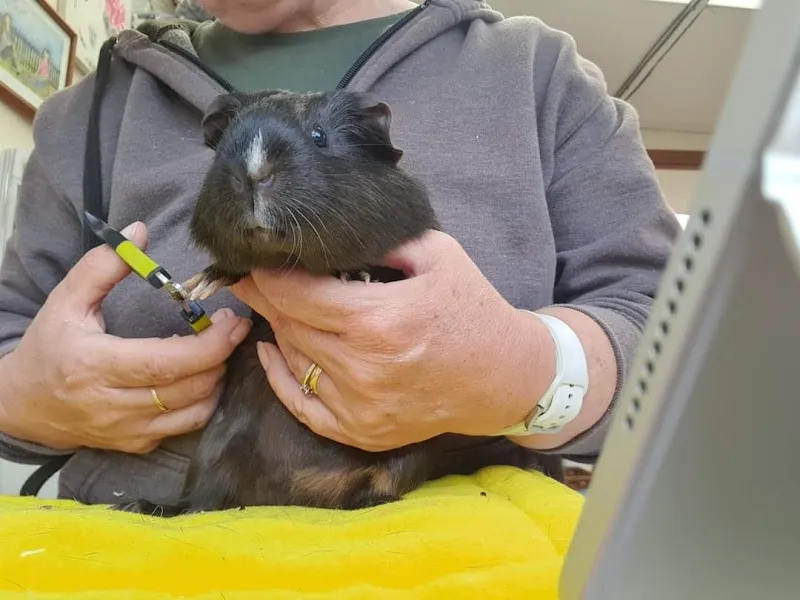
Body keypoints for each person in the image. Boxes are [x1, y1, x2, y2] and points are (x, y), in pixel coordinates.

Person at [0, 0, 679, 505]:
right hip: (145, 557)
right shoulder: (86, 114)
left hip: (455, 555)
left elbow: (675, 341)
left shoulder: (542, 75)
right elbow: (9, 331)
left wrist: (526, 371)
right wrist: (28, 397)